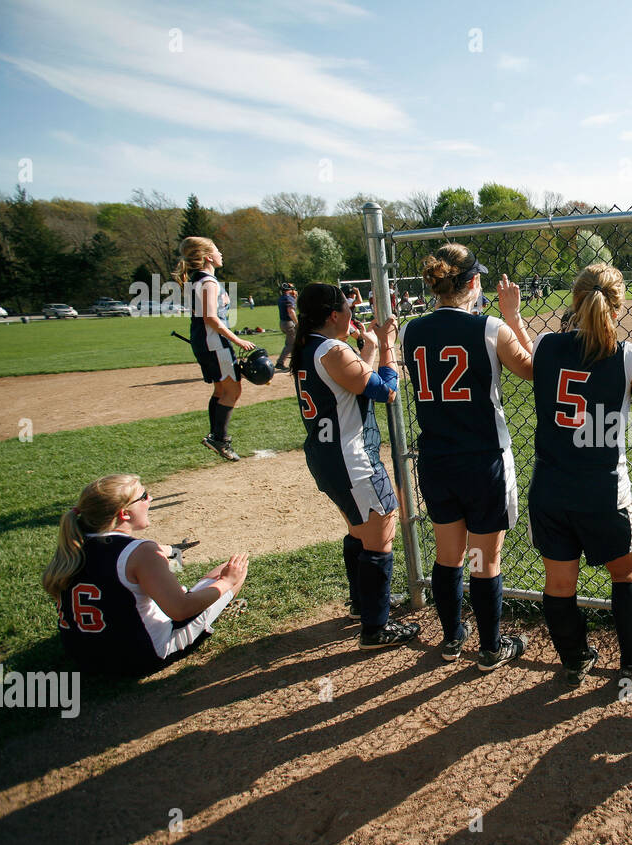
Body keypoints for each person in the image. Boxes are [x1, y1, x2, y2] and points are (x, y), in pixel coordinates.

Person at [529, 264, 632, 686]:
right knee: (626, 573)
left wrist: (517, 317)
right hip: (603, 488)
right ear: (618, 304)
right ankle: (630, 662)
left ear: (574, 299)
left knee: (559, 581)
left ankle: (575, 659)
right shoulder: (628, 355)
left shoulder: (545, 345)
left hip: (551, 485)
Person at [401, 243, 535, 671]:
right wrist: (513, 317)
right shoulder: (490, 328)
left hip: (437, 459)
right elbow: (533, 369)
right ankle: (492, 647)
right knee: (483, 560)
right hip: (482, 460)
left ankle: (453, 637)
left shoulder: (410, 330)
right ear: (474, 282)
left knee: (448, 556)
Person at [291, 283, 419, 650]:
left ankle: (362, 605)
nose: (353, 315)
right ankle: (376, 628)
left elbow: (348, 385)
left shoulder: (309, 347)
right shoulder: (332, 349)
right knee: (380, 533)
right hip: (352, 459)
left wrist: (368, 350)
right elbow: (385, 391)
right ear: (334, 315)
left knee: (359, 531)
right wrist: (387, 346)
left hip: (328, 454)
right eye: (348, 309)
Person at [42, 474, 249, 675]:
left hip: (83, 658)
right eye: (144, 496)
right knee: (233, 569)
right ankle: (222, 593)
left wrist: (171, 551)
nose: (150, 499)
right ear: (124, 513)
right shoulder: (142, 551)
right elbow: (180, 610)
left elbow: (116, 554)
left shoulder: (72, 544)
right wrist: (226, 581)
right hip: (139, 659)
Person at [176, 237, 256, 462]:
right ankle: (219, 438)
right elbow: (211, 317)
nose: (222, 254)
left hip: (205, 342)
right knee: (233, 390)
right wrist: (237, 341)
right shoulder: (209, 282)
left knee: (221, 390)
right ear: (209, 257)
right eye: (218, 251)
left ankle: (217, 436)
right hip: (214, 343)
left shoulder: (197, 280)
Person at [276, 283, 298, 374]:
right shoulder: (289, 298)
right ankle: (280, 362)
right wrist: (297, 322)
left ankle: (294, 362)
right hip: (288, 323)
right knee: (290, 344)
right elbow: (291, 311)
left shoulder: (281, 298)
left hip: (282, 323)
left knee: (293, 342)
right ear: (289, 290)